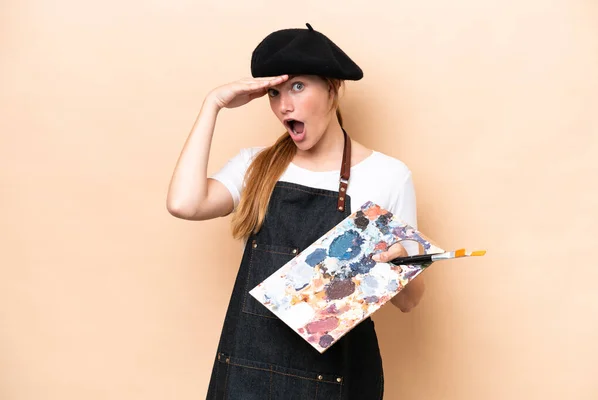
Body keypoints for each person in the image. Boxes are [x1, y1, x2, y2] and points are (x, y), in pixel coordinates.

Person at [166, 23, 425, 400]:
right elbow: (183, 204)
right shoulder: (255, 166)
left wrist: (398, 266)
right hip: (248, 372)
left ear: (333, 89)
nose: (284, 105)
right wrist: (213, 104)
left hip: (337, 379)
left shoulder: (388, 176)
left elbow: (411, 301)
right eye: (274, 92)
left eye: (298, 87)